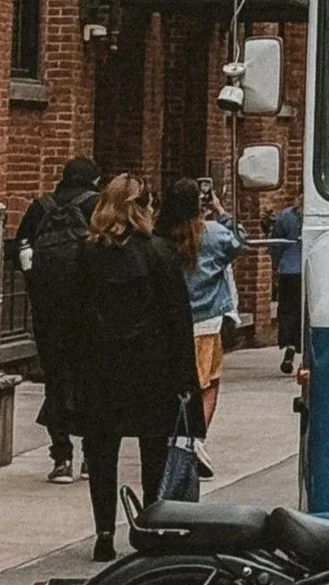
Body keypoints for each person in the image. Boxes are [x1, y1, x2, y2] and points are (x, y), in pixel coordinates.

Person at [69, 175, 198, 560]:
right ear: (143, 206)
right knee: (154, 452)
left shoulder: (87, 254)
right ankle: (150, 525)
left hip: (101, 369)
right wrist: (185, 378)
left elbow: (72, 316)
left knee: (102, 453)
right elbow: (179, 319)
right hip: (152, 369)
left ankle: (104, 532)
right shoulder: (160, 252)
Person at [16, 156, 100, 483]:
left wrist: (36, 281)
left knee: (56, 378)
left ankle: (61, 456)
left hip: (48, 312)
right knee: (93, 381)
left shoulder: (41, 207)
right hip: (89, 312)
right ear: (94, 180)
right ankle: (92, 457)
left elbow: (19, 249)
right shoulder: (97, 206)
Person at [160, 179, 246, 470]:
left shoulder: (161, 236)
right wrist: (221, 211)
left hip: (172, 322)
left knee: (176, 384)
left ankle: (174, 436)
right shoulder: (213, 233)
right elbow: (238, 242)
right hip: (206, 321)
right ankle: (195, 438)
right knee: (208, 383)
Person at [268, 200, 304, 374]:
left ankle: (289, 345)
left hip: (289, 271)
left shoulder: (286, 216)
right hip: (310, 270)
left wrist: (276, 261)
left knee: (288, 310)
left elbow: (276, 243)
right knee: (304, 313)